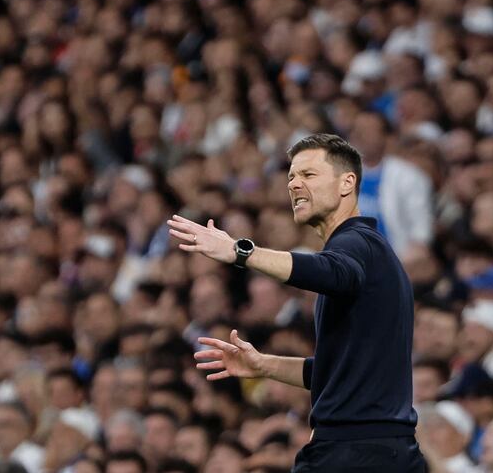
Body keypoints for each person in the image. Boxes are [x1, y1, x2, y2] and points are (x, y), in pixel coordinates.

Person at [168, 133, 426, 472]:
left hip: (355, 453)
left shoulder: (358, 244)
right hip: (381, 451)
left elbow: (331, 272)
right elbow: (337, 373)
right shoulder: (369, 250)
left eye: (308, 175)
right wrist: (265, 366)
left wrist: (239, 251)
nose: (294, 185)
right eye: (291, 176)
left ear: (347, 183)